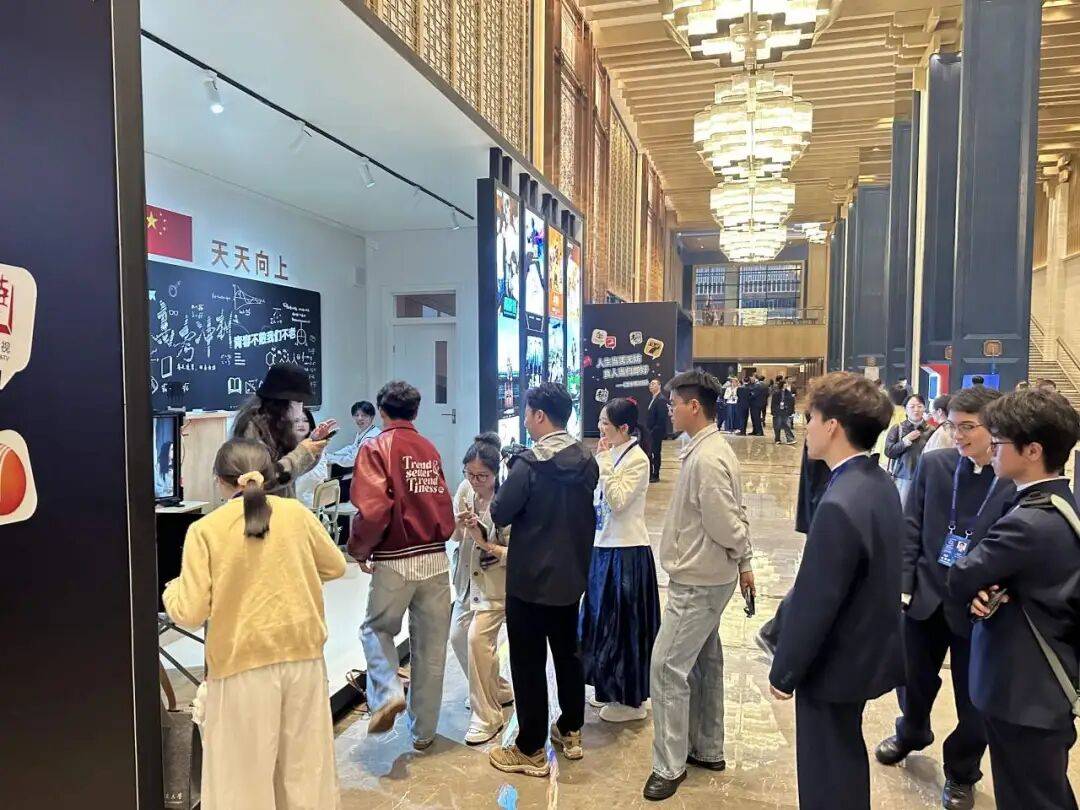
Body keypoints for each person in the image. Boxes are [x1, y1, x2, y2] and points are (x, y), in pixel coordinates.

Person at [163, 438, 347, 809]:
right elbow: (336, 566)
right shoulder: (296, 515)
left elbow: (190, 611)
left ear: (220, 480)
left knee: (242, 785)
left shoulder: (206, 530)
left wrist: (172, 590)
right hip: (304, 661)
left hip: (240, 669)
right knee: (306, 775)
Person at [873, 386, 1016, 810]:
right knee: (911, 679)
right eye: (953, 426)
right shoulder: (936, 465)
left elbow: (1018, 549)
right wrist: (904, 584)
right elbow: (911, 525)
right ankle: (912, 731)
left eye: (968, 427)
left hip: (978, 611)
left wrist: (998, 593)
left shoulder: (1011, 480)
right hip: (926, 597)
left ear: (995, 428)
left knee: (975, 703)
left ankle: (962, 771)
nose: (957, 435)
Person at [768, 372, 904, 810]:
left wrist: (785, 671)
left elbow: (817, 600)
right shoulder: (877, 482)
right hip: (863, 652)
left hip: (832, 663)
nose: (805, 427)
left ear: (832, 426)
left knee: (825, 771)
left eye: (811, 417)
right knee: (843, 757)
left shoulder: (840, 503)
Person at [949, 388, 1080, 810]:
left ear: (1033, 451)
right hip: (1042, 690)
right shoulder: (1060, 501)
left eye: (1000, 442)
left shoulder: (1028, 522)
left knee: (1030, 797)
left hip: (1023, 692)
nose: (992, 449)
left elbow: (962, 574)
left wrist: (981, 584)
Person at [643, 370, 753, 801]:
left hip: (699, 581)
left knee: (666, 666)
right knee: (704, 663)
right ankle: (706, 747)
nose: (669, 410)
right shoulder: (706, 449)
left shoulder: (708, 458)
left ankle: (669, 766)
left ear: (693, 407)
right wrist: (742, 561)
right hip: (706, 575)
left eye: (674, 404)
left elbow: (726, 521)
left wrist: (744, 555)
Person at [487, 382, 599, 777]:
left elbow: (500, 512)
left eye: (527, 413)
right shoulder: (587, 460)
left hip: (530, 581)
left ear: (539, 416)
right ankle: (570, 729)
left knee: (528, 662)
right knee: (568, 654)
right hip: (571, 577)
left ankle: (531, 747)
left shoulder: (528, 465)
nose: (525, 420)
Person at [347, 380, 455, 749]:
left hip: (396, 558)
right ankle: (423, 734)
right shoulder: (429, 448)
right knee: (431, 650)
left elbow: (373, 509)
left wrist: (359, 548)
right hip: (437, 558)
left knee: (375, 629)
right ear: (416, 411)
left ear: (381, 411)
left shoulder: (376, 446)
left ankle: (389, 691)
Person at [581, 398, 660, 724]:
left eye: (606, 423)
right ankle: (609, 687)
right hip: (603, 547)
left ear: (624, 428)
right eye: (600, 421)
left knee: (624, 627)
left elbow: (618, 500)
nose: (600, 428)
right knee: (601, 623)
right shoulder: (612, 454)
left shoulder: (637, 459)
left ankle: (631, 700)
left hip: (627, 551)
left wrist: (603, 464)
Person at [448, 433, 514, 745]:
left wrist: (486, 543)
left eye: (482, 476)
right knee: (458, 637)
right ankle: (497, 689)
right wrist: (460, 524)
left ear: (496, 472)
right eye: (470, 474)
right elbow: (452, 536)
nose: (475, 482)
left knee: (477, 640)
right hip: (465, 581)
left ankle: (487, 716)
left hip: (495, 585)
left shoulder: (507, 499)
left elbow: (518, 551)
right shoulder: (465, 490)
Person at [233, 362, 335, 499]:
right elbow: (263, 479)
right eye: (299, 401)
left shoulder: (280, 423)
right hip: (259, 507)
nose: (301, 407)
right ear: (283, 402)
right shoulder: (252, 427)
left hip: (281, 504)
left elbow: (294, 472)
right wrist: (304, 451)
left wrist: (314, 444)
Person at [885, 393, 933, 504]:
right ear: (905, 409)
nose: (916, 410)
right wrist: (905, 442)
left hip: (926, 477)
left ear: (924, 408)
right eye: (912, 407)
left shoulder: (931, 430)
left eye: (919, 406)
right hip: (903, 476)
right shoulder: (898, 428)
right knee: (903, 508)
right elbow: (889, 451)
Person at [326, 400, 380, 468]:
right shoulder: (365, 431)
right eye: (356, 415)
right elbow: (353, 447)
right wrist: (334, 454)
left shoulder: (371, 437)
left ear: (372, 417)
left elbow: (352, 460)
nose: (359, 418)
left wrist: (331, 458)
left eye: (364, 415)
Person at [294, 408, 330, 508]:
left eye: (305, 420)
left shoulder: (317, 445)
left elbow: (315, 477)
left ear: (310, 425)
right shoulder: (286, 446)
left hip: (306, 505)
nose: (301, 424)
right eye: (296, 421)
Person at [646, 379, 670, 483]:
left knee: (655, 453)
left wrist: (653, 431)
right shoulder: (653, 398)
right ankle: (651, 473)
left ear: (659, 386)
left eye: (653, 384)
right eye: (650, 384)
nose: (651, 385)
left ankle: (656, 475)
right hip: (651, 432)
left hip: (656, 432)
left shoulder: (661, 399)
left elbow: (661, 418)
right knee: (651, 453)